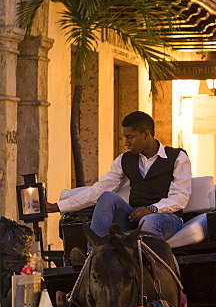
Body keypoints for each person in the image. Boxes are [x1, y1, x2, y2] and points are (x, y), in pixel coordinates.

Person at [47, 110, 192, 262]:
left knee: (148, 221)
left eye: (130, 137)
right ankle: (93, 255)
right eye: (124, 137)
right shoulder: (124, 160)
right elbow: (97, 192)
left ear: (146, 134)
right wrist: (56, 206)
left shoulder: (177, 157)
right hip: (134, 218)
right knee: (107, 197)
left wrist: (152, 209)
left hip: (167, 219)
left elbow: (180, 197)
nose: (126, 143)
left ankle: (150, 266)